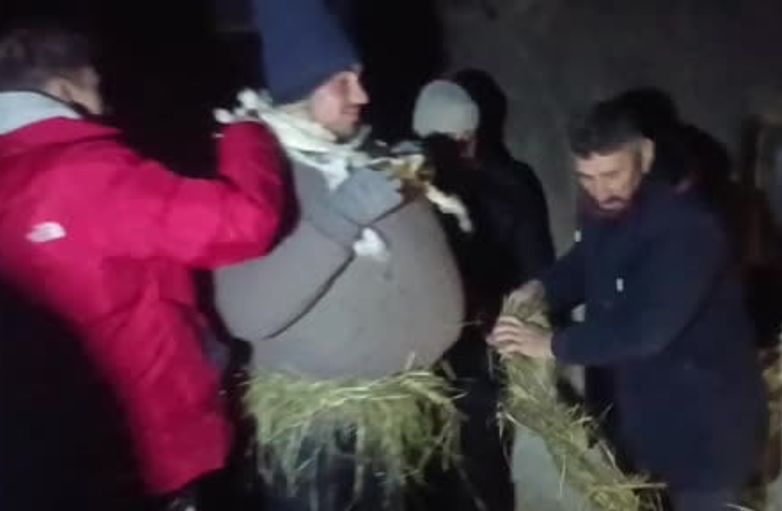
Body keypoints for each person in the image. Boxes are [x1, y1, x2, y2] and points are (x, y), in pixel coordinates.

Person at [0, 24, 291, 510]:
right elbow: (243, 222)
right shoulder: (85, 173)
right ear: (65, 89)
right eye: (95, 86)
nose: (104, 103)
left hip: (47, 448)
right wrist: (247, 133)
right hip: (151, 438)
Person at [213, 1, 464, 510]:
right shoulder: (258, 174)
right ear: (300, 88)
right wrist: (340, 217)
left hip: (400, 415)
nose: (362, 95)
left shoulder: (366, 154)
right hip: (320, 439)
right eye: (341, 82)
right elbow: (246, 312)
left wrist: (412, 192)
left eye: (360, 78)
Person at [489, 99, 767, 511]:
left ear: (646, 154)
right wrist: (540, 288)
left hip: (704, 430)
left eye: (611, 174)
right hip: (640, 422)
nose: (600, 191)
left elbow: (645, 331)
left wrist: (549, 344)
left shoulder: (689, 227)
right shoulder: (605, 208)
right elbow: (586, 263)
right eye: (586, 177)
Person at [410, 78, 555, 510]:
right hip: (481, 350)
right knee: (483, 472)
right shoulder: (512, 182)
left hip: (424, 358)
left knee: (433, 474)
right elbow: (538, 270)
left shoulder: (403, 186)